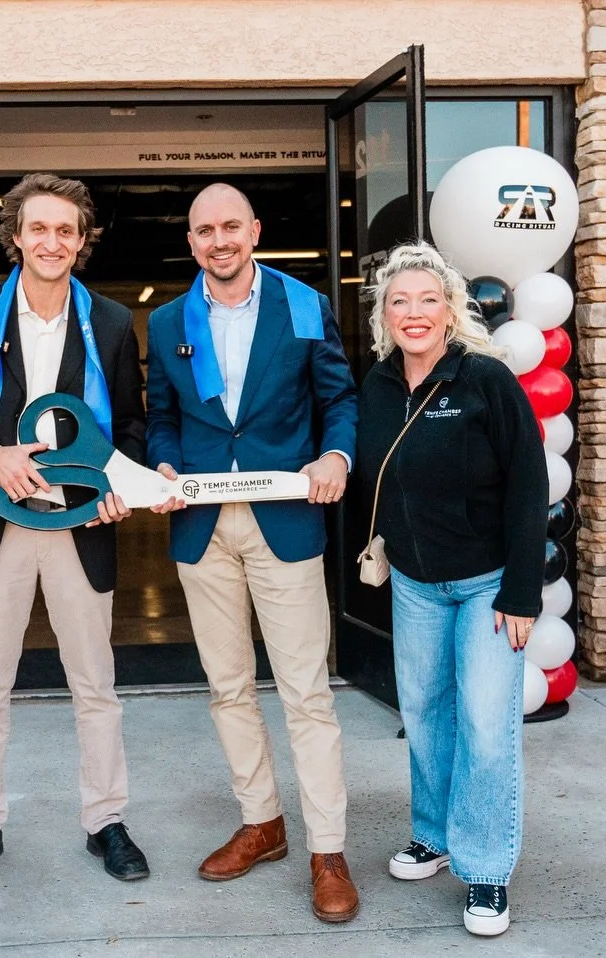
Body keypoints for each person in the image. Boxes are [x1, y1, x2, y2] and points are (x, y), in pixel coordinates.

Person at [144, 183, 359, 923]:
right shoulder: (170, 319)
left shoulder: (301, 304)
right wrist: (164, 465)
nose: (219, 239)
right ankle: (262, 822)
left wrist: (335, 454)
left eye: (231, 225)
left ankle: (327, 849)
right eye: (205, 230)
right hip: (202, 528)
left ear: (255, 231)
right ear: (193, 241)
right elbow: (161, 418)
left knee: (306, 693)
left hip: (285, 521)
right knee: (228, 687)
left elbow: (340, 398)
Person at [0, 173, 149, 888]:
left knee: (96, 685)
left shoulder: (114, 324)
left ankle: (106, 821)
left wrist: (121, 482)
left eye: (66, 230)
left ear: (81, 241)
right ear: (15, 237)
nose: (52, 242)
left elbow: (129, 426)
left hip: (80, 524)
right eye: (39, 229)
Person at [353, 243, 546, 937]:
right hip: (414, 585)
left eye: (427, 300)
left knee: (487, 727)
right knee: (426, 714)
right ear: (384, 315)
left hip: (490, 586)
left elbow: (530, 485)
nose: (413, 312)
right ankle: (433, 834)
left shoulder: (485, 380)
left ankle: (487, 869)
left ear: (450, 310)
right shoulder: (375, 385)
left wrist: (523, 592)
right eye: (398, 301)